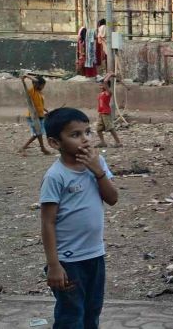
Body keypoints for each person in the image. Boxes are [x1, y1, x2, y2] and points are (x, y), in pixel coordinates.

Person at [39, 107, 118, 329]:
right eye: (75, 135)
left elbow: (112, 198)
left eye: (87, 132)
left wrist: (97, 171)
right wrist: (54, 265)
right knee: (71, 317)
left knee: (92, 312)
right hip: (67, 261)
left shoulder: (97, 164)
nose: (84, 139)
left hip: (94, 255)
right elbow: (48, 222)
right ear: (55, 143)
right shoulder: (56, 176)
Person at [19, 74, 51, 155]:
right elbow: (36, 81)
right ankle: (41, 148)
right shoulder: (31, 91)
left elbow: (38, 104)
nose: (43, 87)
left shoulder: (39, 92)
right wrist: (26, 75)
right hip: (32, 116)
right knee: (38, 132)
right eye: (43, 85)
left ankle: (26, 147)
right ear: (36, 84)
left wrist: (45, 110)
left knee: (38, 133)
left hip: (40, 115)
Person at [95, 75, 122, 148]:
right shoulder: (101, 93)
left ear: (106, 85)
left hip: (106, 113)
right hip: (101, 113)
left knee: (110, 128)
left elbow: (105, 81)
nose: (100, 85)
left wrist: (110, 75)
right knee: (98, 129)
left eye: (102, 84)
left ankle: (118, 142)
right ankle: (102, 142)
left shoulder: (108, 93)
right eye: (100, 84)